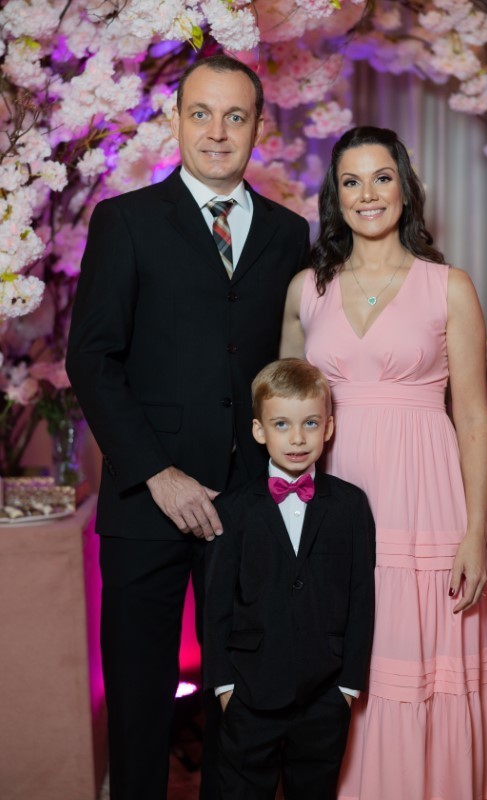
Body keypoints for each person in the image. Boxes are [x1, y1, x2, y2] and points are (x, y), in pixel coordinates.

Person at [66, 55, 310, 800]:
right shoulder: (125, 221)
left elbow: (288, 367)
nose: (216, 132)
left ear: (259, 126)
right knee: (139, 699)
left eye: (235, 116)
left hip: (248, 502)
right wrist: (156, 472)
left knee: (242, 701)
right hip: (147, 500)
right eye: (200, 113)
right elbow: (92, 359)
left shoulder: (289, 234)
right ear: (175, 121)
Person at [281, 126, 487, 800]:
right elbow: (283, 410)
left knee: (423, 660)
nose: (367, 194)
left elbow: (473, 416)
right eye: (350, 181)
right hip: (334, 496)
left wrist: (475, 531)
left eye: (381, 177)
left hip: (425, 500)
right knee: (345, 658)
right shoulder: (306, 290)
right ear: (335, 197)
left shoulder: (448, 286)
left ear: (406, 189)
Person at [203, 358, 375, 800]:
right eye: (282, 424)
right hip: (249, 694)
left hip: (324, 696)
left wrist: (347, 686)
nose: (297, 438)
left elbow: (361, 599)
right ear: (259, 430)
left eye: (310, 423)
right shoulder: (232, 509)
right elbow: (216, 605)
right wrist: (225, 687)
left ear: (328, 427)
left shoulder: (352, 507)